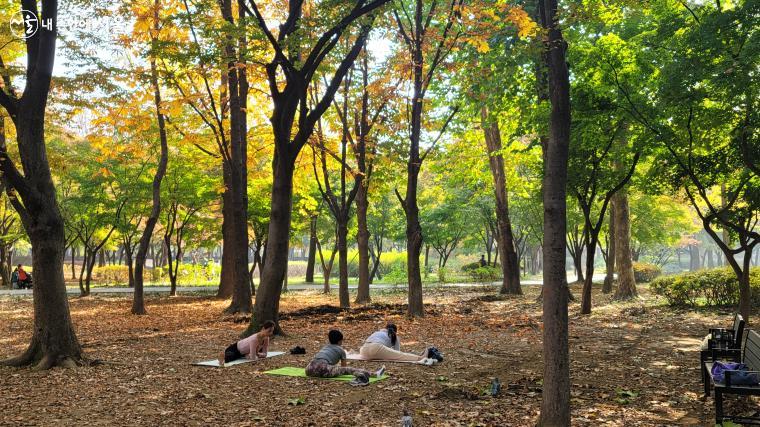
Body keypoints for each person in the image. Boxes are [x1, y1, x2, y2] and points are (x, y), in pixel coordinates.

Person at [306, 329, 383, 386]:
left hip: (309, 369)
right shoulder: (341, 350)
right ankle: (374, 374)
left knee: (331, 367)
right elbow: (344, 367)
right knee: (349, 369)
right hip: (323, 369)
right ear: (340, 341)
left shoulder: (325, 347)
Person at [359, 323, 441, 364]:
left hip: (363, 351)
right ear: (395, 331)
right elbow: (398, 353)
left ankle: (420, 356)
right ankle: (421, 357)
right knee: (401, 356)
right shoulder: (394, 336)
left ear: (385, 328)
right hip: (376, 348)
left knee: (376, 351)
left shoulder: (377, 332)